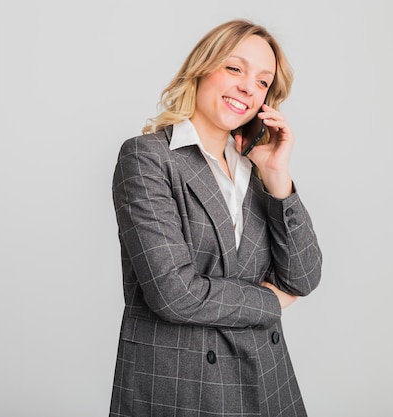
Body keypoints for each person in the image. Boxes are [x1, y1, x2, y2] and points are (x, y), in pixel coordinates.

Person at [109, 19, 322, 417]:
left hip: (268, 379)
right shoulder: (148, 157)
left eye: (263, 82)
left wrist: (278, 176)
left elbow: (303, 278)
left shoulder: (258, 168)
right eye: (235, 68)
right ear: (202, 67)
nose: (248, 87)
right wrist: (270, 302)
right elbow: (175, 294)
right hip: (183, 388)